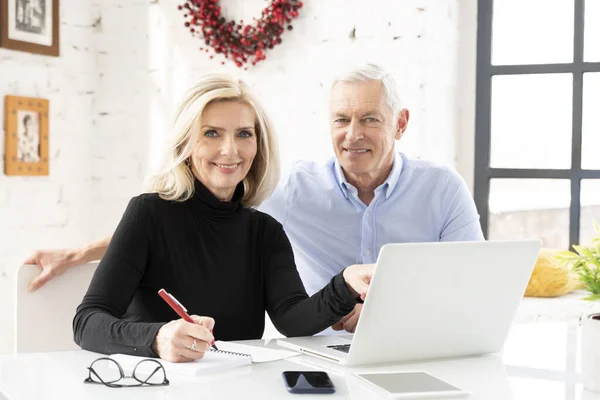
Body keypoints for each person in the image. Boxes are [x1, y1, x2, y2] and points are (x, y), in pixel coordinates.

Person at [25, 63, 483, 334]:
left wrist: (350, 289)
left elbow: (472, 289)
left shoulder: (262, 223)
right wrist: (81, 253)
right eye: (341, 118)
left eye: (370, 119)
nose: (352, 134)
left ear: (400, 124)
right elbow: (173, 221)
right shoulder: (286, 193)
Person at [72, 73, 374, 363]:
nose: (230, 150)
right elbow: (87, 323)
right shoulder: (148, 214)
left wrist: (345, 284)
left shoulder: (264, 232)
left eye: (244, 134)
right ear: (186, 144)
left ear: (258, 146)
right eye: (211, 133)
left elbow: (292, 320)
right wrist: (158, 337)